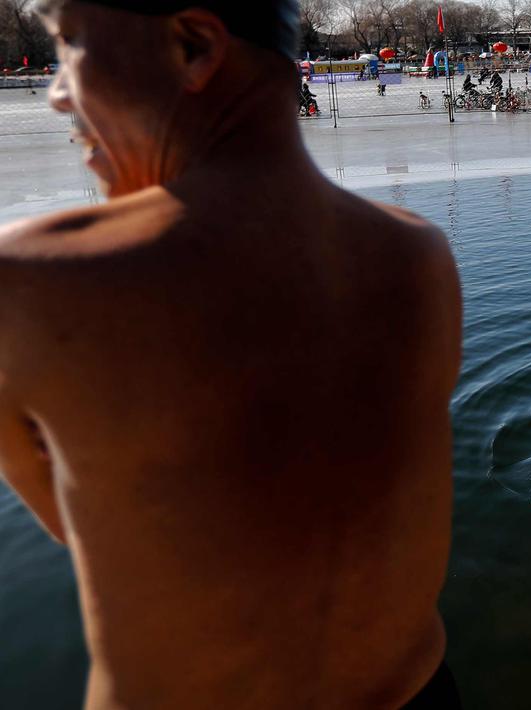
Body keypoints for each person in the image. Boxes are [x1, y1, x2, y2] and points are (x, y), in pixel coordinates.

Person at [4, 1, 462, 708]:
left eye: (69, 44)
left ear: (192, 46)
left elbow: (97, 537)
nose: (57, 91)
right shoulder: (419, 256)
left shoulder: (32, 278)